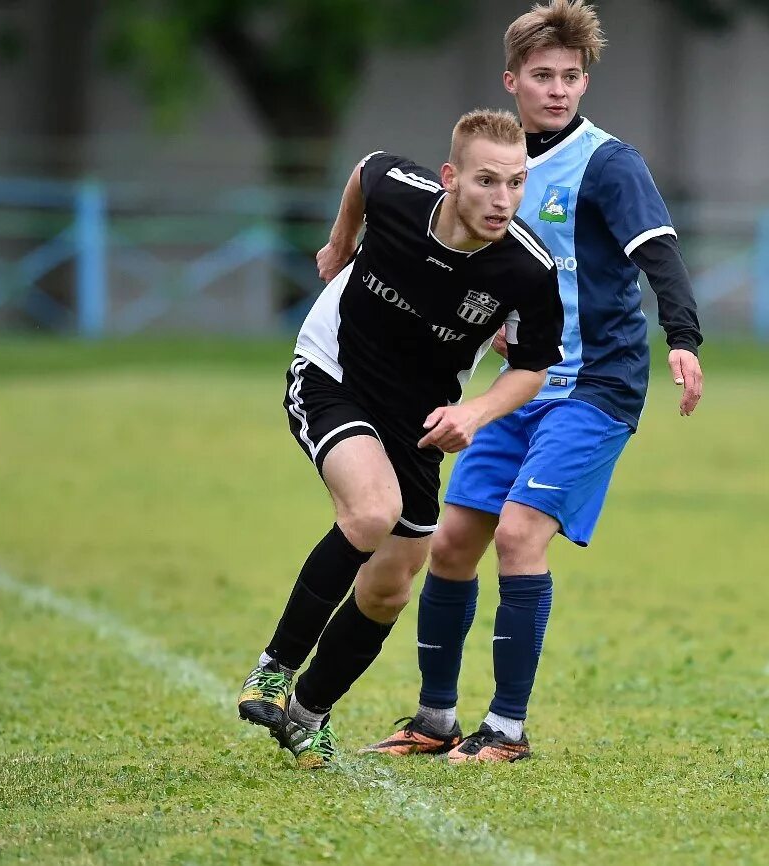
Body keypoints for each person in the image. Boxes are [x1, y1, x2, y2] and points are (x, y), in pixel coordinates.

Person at [361, 0, 705, 763]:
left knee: (518, 535)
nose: (558, 89)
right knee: (451, 544)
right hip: (519, 385)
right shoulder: (496, 167)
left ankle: (507, 731)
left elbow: (659, 256)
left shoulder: (609, 164)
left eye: (572, 76)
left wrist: (683, 339)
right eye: (544, 75)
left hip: (597, 386)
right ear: (511, 79)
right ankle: (436, 718)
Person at [235, 109, 565, 768]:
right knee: (371, 511)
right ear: (450, 179)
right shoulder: (400, 192)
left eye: (517, 183)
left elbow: (533, 366)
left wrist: (474, 413)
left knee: (390, 586)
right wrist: (339, 243)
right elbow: (365, 171)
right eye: (487, 182)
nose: (504, 200)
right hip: (335, 373)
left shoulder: (526, 268)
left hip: (420, 415)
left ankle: (307, 713)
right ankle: (273, 669)